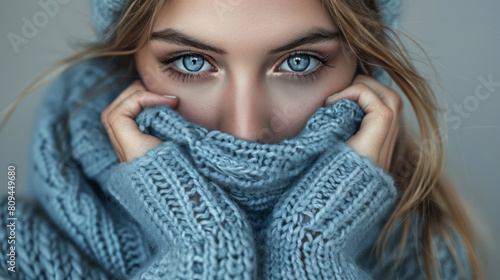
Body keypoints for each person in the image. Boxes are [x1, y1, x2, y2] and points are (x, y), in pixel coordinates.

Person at [0, 0, 485, 279]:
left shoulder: (430, 254)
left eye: (299, 63)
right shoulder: (12, 248)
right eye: (192, 63)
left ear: (364, 70)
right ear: (130, 64)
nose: (245, 128)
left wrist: (310, 247)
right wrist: (206, 245)